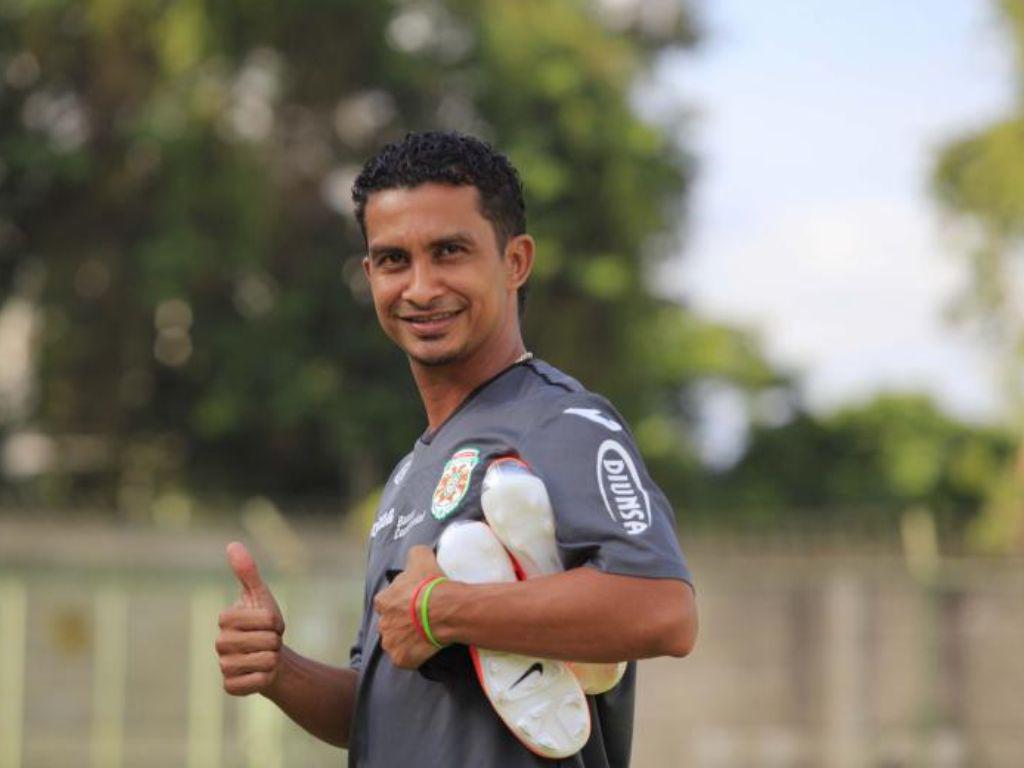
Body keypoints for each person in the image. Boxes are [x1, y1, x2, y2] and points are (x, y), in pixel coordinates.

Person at [215, 131, 698, 767]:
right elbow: (379, 708)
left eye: (449, 251)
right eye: (393, 260)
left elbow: (663, 610)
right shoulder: (409, 475)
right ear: (369, 276)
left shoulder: (560, 422)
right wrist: (279, 670)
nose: (420, 287)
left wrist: (443, 608)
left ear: (515, 261)